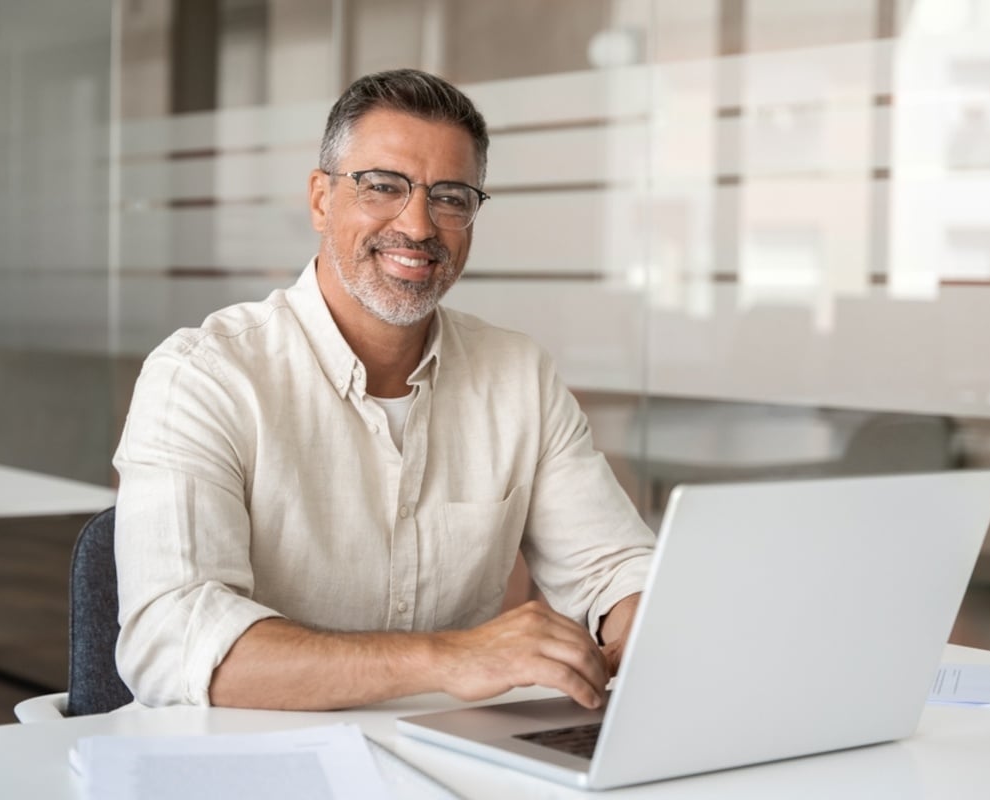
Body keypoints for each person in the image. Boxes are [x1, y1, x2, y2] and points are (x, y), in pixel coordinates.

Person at [113, 68, 655, 712]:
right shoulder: (203, 376)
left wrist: (639, 620)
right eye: (382, 187)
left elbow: (616, 570)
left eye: (451, 196)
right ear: (321, 200)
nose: (420, 226)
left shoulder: (519, 376)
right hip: (254, 763)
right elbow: (171, 644)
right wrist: (450, 657)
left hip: (455, 758)